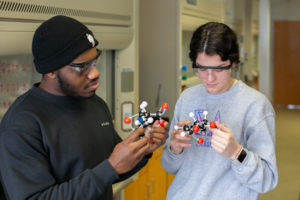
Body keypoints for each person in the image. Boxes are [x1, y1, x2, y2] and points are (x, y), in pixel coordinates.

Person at [0, 15, 168, 200]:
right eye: (82, 67)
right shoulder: (23, 124)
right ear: (50, 70)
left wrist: (143, 151)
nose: (95, 73)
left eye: (95, 62)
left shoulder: (95, 104)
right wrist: (110, 167)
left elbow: (112, 171)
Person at [161, 22, 278, 200]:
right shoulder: (187, 98)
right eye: (201, 68)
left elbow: (266, 181)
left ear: (233, 63)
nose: (209, 78)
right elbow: (169, 166)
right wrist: (174, 149)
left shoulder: (255, 105)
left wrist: (236, 152)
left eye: (219, 68)